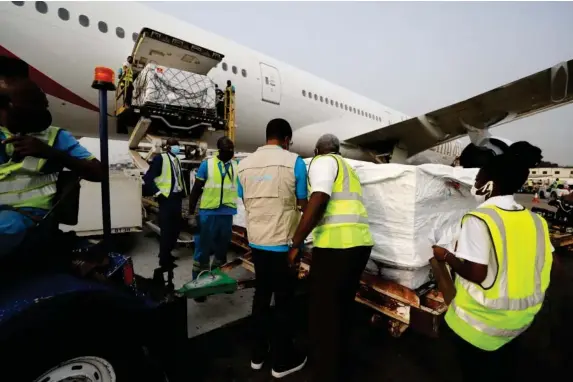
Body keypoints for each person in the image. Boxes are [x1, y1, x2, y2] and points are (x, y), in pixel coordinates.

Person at [432, 141, 553, 382]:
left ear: (490, 183)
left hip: (481, 326)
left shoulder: (479, 219)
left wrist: (445, 256)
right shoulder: (536, 221)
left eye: (478, 179)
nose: (475, 185)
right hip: (521, 320)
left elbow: (476, 273)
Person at [288, 133, 374, 382]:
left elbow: (320, 198)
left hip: (337, 246)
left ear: (317, 151)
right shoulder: (348, 168)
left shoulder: (323, 162)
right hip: (358, 244)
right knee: (341, 308)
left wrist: (296, 242)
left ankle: (326, 371)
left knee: (323, 311)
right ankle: (340, 362)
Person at [237, 118, 308, 379]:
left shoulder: (243, 165)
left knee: (261, 296)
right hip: (283, 244)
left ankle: (258, 354)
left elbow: (245, 198)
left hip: (257, 242)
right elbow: (302, 202)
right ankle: (282, 361)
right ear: (287, 139)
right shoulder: (294, 163)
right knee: (284, 302)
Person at [0, 77, 103, 255]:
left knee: (7, 227)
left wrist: (51, 153)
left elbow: (100, 173)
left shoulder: (56, 136)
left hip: (27, 216)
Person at [188, 136, 237, 286]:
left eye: (231, 150)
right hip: (208, 213)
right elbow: (196, 190)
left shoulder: (236, 166)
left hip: (227, 214)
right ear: (219, 151)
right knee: (203, 249)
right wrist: (191, 213)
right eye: (226, 150)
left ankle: (219, 280)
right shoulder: (207, 165)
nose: (230, 153)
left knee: (222, 250)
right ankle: (198, 284)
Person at [142, 138, 187, 269]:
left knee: (175, 228)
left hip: (176, 197)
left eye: (177, 146)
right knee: (167, 229)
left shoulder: (177, 160)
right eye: (174, 146)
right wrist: (158, 193)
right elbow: (148, 178)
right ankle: (164, 259)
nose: (176, 148)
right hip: (166, 198)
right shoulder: (160, 159)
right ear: (168, 147)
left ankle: (167, 252)